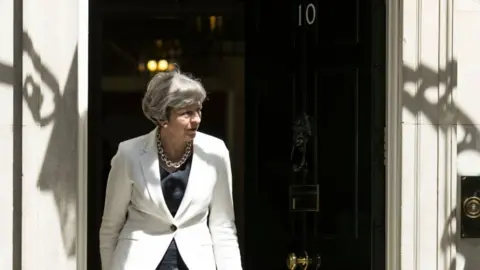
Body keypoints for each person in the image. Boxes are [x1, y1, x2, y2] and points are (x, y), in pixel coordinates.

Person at [99, 69, 242, 270]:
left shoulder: (215, 152)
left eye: (199, 110)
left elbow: (223, 226)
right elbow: (110, 227)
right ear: (162, 118)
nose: (197, 120)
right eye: (187, 113)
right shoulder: (128, 153)